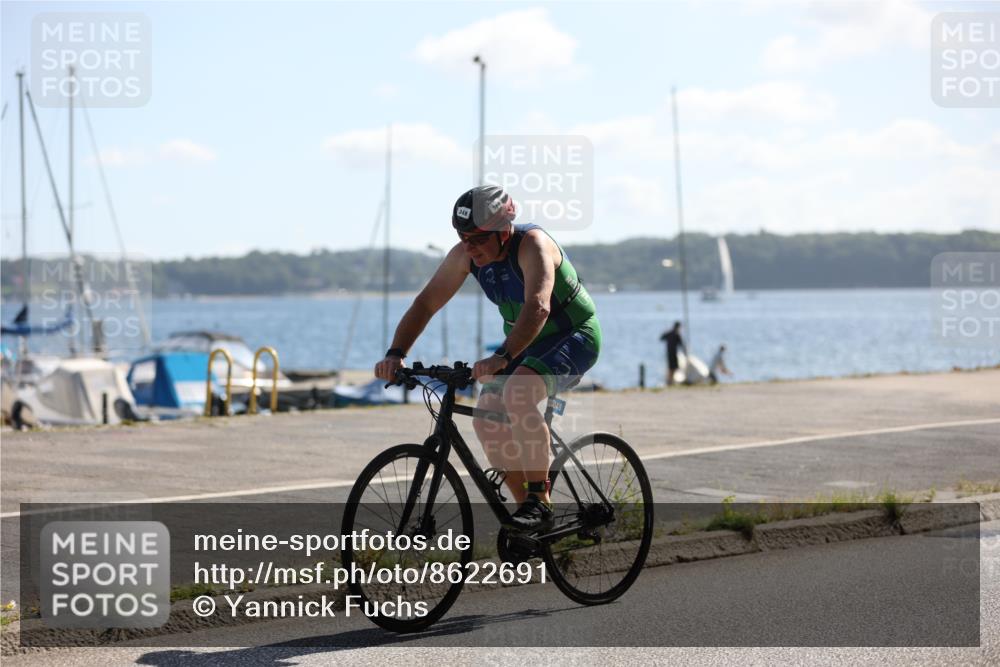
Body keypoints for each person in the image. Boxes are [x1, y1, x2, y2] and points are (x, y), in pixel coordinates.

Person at [374, 185, 601, 532]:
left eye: (478, 239)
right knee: (487, 418)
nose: (469, 247)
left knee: (518, 394)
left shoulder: (533, 244)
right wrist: (396, 353)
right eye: (463, 237)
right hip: (525, 343)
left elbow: (538, 307)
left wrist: (502, 356)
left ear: (503, 231)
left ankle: (540, 502)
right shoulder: (465, 255)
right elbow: (426, 303)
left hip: (574, 335)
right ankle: (525, 519)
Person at [659, 321, 685, 386]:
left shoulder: (669, 333)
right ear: (678, 327)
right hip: (673, 354)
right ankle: (670, 381)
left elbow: (661, 338)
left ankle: (670, 381)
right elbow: (681, 344)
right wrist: (685, 352)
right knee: (673, 368)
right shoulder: (677, 334)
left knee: (671, 368)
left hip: (669, 353)